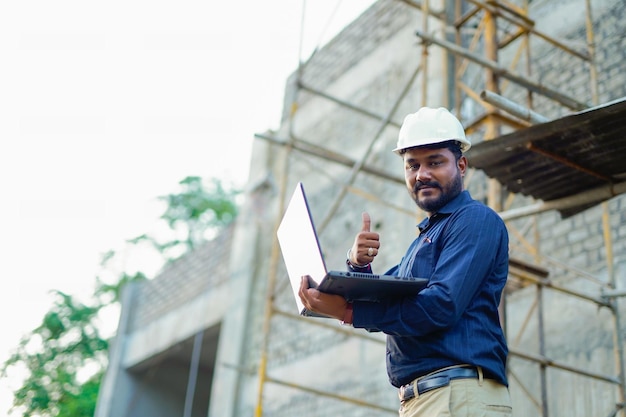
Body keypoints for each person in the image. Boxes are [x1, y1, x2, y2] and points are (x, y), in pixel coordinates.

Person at [298, 107, 512, 416]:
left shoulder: (475, 220)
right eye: (412, 165)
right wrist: (357, 265)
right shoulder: (423, 241)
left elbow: (440, 306)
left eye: (434, 162)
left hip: (457, 396)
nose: (421, 174)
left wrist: (347, 310)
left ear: (461, 165)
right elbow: (388, 297)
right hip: (430, 399)